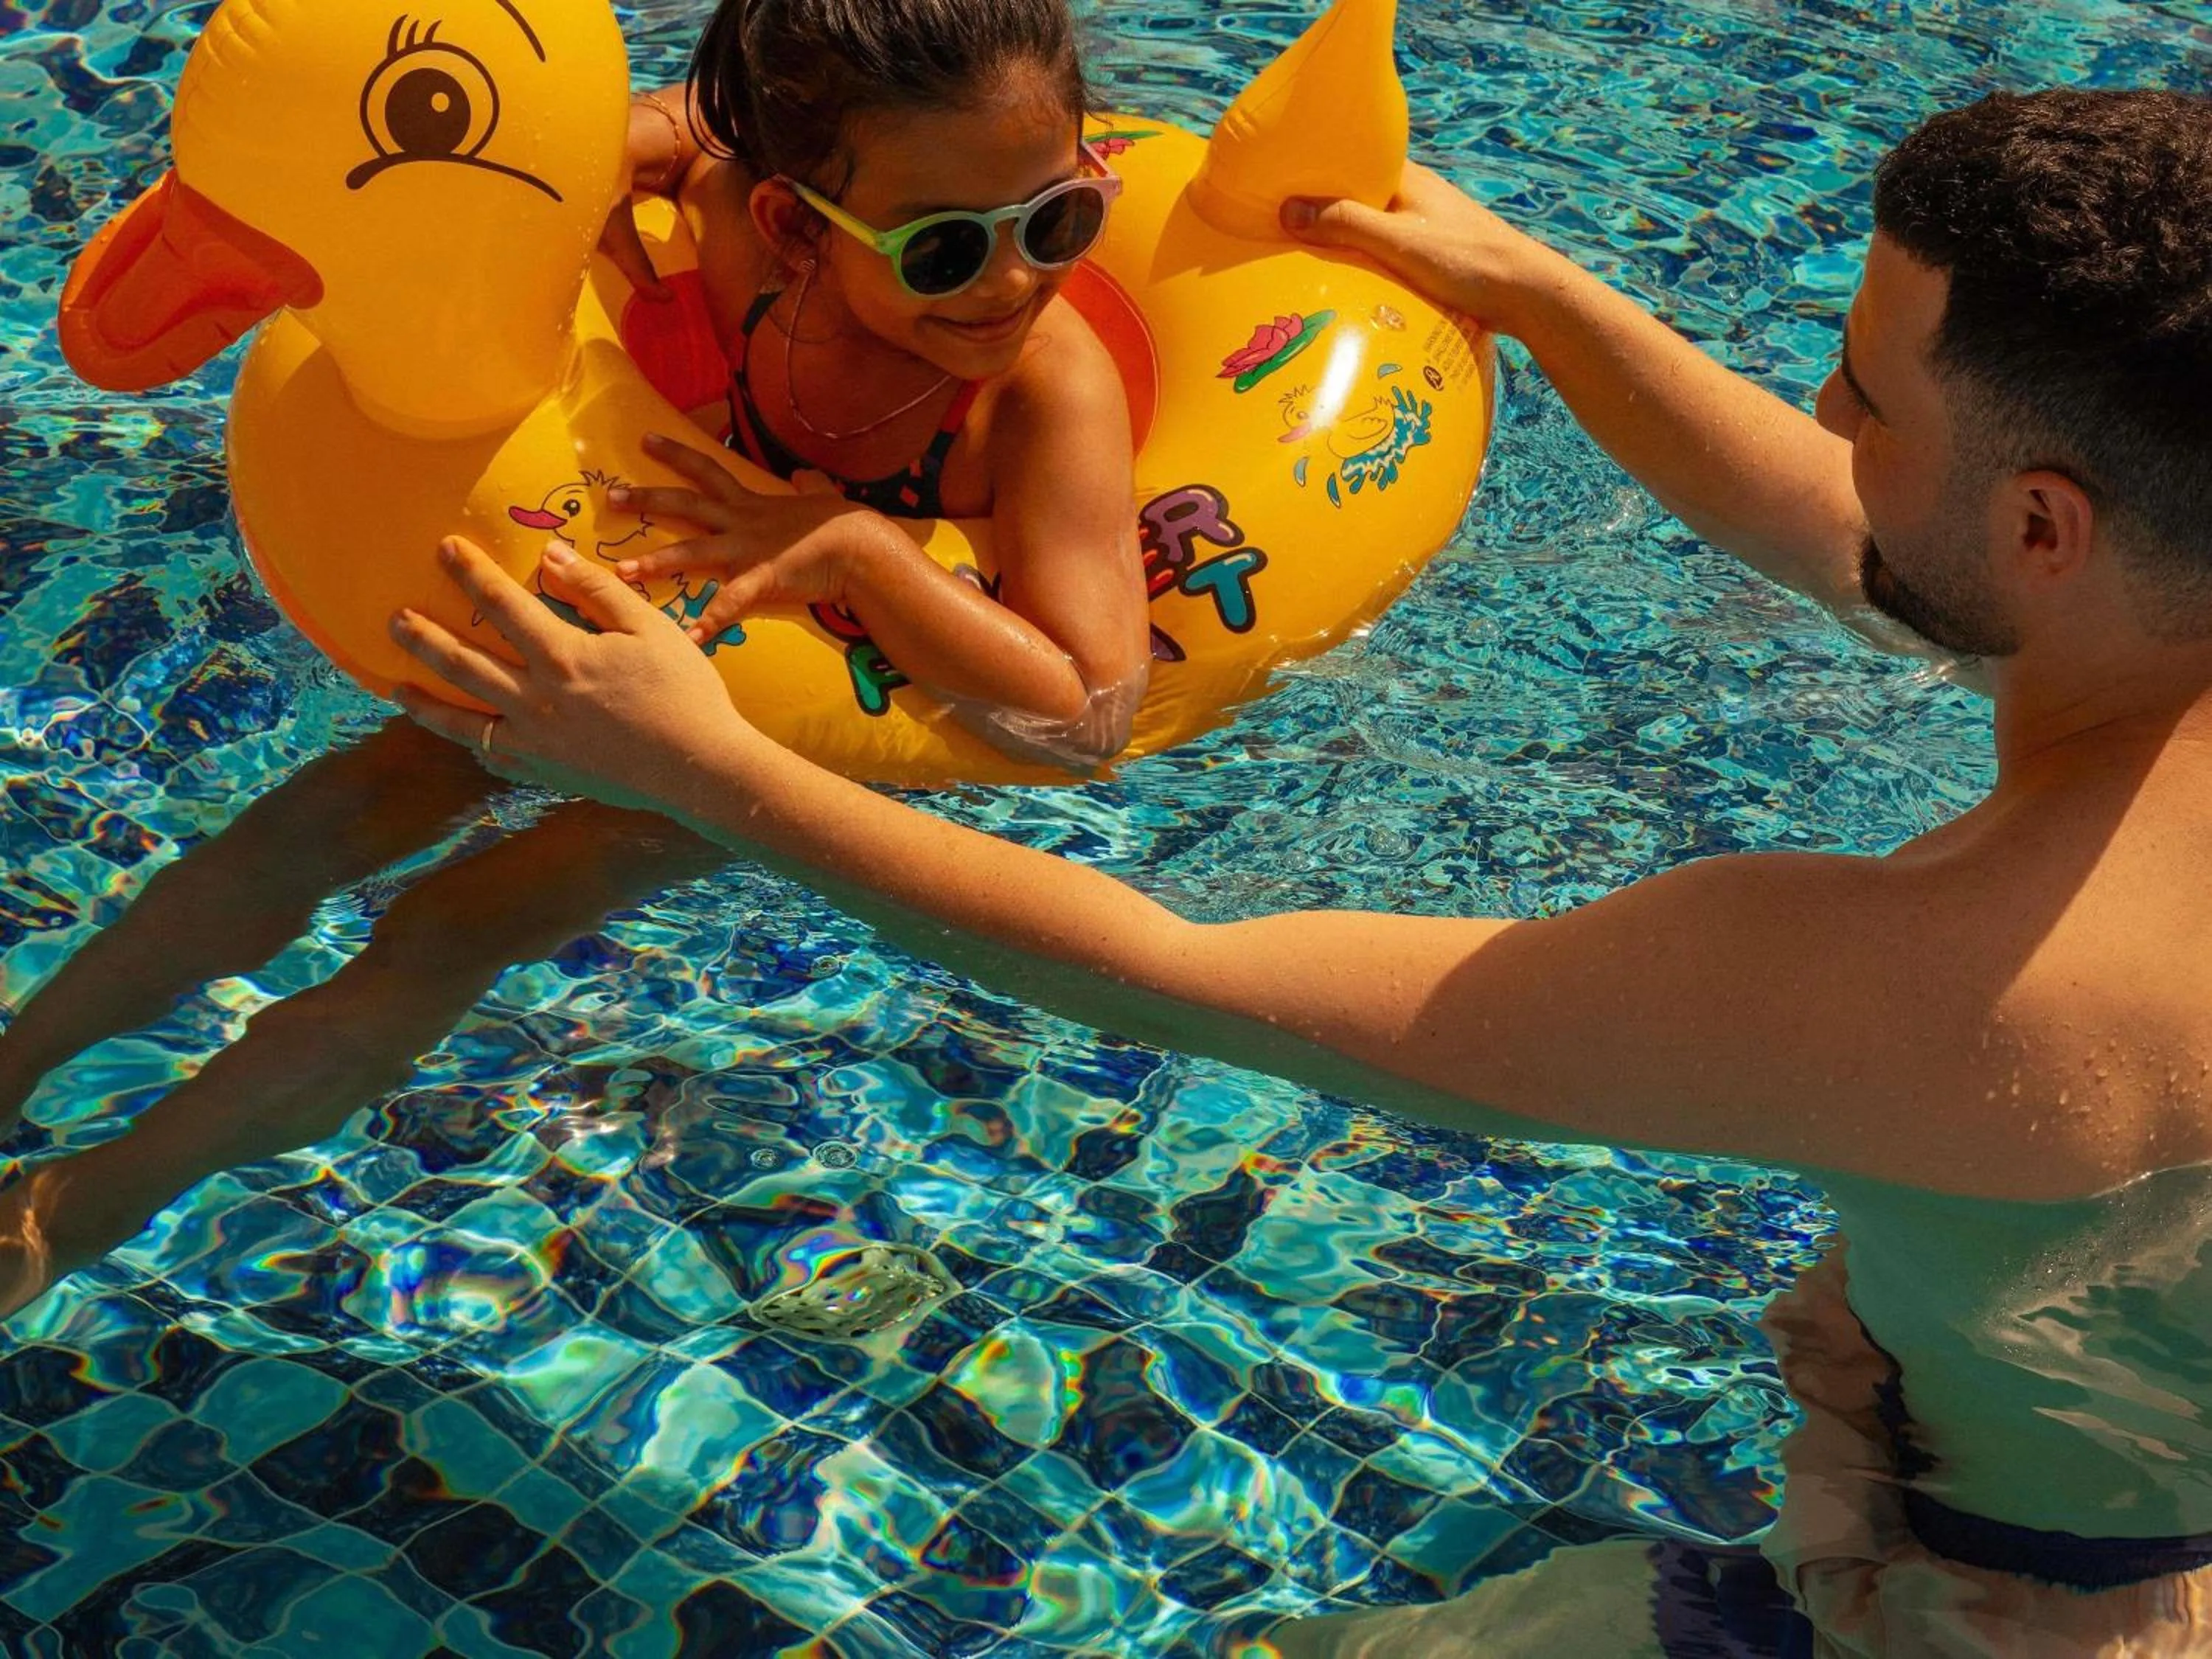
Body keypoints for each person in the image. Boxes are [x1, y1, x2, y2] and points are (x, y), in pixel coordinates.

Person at [395, 87, 2212, 1655]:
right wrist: (1546, 298)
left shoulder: (1928, 981)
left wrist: (701, 769)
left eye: (1865, 395)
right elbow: (1868, 544)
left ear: (2044, 526)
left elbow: (1179, 972)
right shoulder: (2134, 600)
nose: (1815, 408)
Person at [594, 0, 1149, 769]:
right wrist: (622, 139)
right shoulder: (740, 243)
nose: (1013, 280)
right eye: (942, 248)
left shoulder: (1043, 397)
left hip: (886, 765)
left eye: (1055, 216)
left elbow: (1093, 714)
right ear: (791, 228)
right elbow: (709, 126)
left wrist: (855, 548)